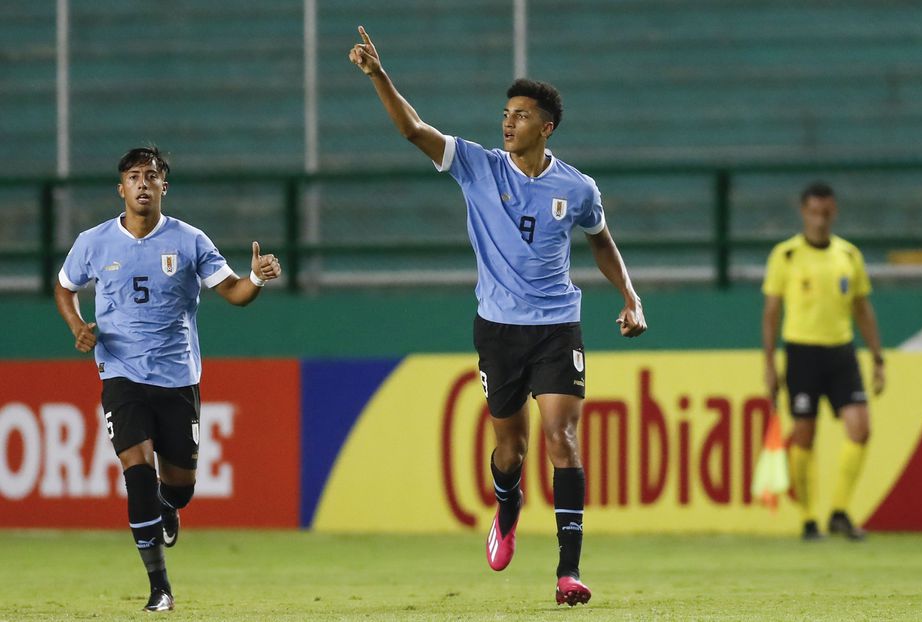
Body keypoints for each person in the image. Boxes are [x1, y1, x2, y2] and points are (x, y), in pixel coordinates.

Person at [349, 26, 647, 606]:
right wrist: (379, 75)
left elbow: (601, 242)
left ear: (546, 126)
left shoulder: (577, 187)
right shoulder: (478, 167)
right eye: (505, 113)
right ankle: (507, 507)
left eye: (520, 115)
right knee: (511, 449)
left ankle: (568, 573)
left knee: (563, 439)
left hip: (558, 326)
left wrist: (631, 297)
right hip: (499, 329)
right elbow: (413, 130)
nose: (508, 122)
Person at [54, 146, 282, 612]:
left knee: (179, 487)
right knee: (136, 475)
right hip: (121, 374)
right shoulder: (93, 242)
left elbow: (234, 293)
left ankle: (170, 504)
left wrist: (256, 279)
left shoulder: (190, 240)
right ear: (121, 189)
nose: (143, 183)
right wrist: (78, 326)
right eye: (134, 176)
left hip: (178, 378)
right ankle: (160, 587)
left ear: (164, 186)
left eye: (151, 176)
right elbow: (64, 285)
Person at [762, 181, 884, 541]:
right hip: (801, 351)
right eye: (814, 213)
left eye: (826, 213)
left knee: (860, 428)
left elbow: (862, 308)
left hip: (841, 351)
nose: (820, 220)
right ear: (803, 213)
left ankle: (840, 511)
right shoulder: (785, 255)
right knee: (803, 434)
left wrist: (877, 357)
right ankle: (809, 518)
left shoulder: (848, 255)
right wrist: (770, 364)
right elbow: (771, 313)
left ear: (835, 212)